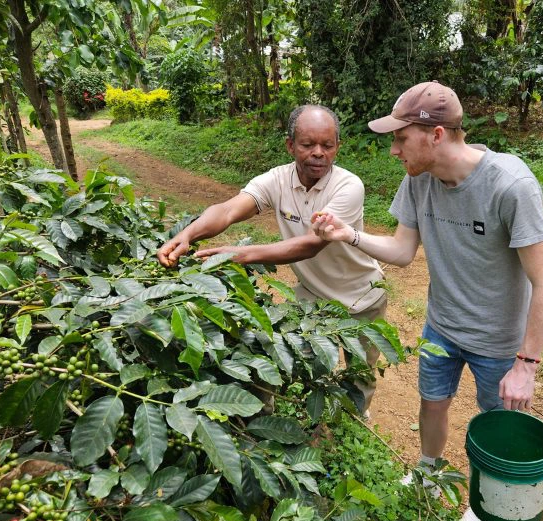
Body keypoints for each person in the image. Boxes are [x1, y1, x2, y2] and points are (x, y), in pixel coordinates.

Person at [311, 82, 543, 521]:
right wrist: (348, 235)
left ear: (437, 134)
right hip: (442, 326)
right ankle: (428, 471)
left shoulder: (510, 185)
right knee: (433, 401)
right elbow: (403, 250)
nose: (393, 150)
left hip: (498, 340)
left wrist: (526, 364)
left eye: (400, 138)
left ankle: (485, 507)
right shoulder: (417, 180)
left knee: (494, 422)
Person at [157, 104, 387, 413]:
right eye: (308, 144)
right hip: (314, 299)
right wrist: (188, 234)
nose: (318, 153)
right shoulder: (277, 180)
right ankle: (273, 418)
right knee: (284, 357)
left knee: (358, 377)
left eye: (327, 145)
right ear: (291, 145)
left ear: (337, 147)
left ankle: (352, 432)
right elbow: (227, 210)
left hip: (362, 299)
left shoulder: (349, 186)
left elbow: (310, 245)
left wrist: (240, 255)